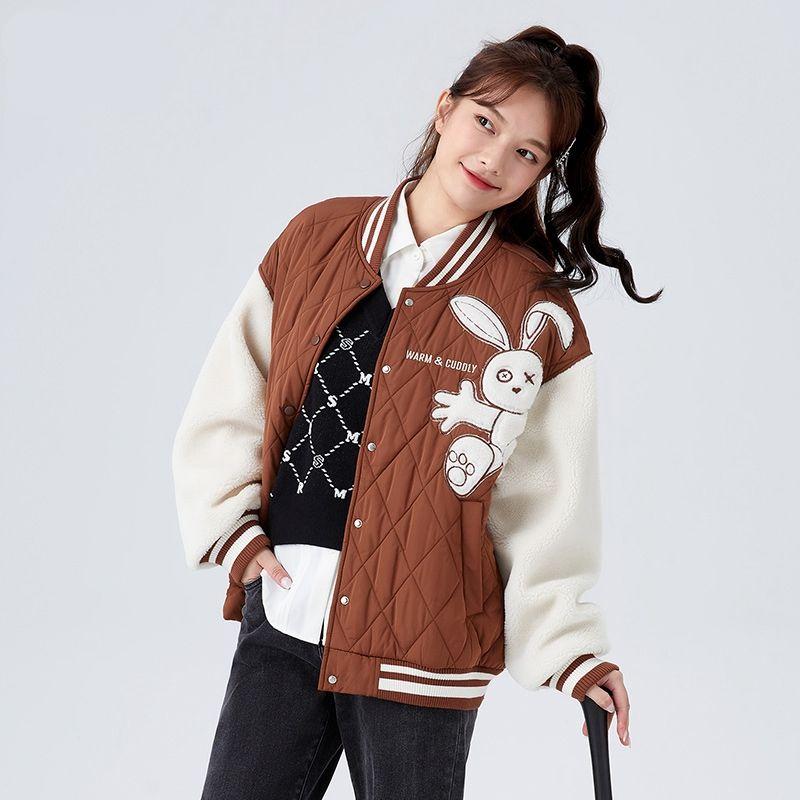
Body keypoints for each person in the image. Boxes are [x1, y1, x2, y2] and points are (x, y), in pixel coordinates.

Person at [172, 24, 654, 800]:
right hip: (285, 616)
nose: (494, 159)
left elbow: (548, 503)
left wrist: (574, 651)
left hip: (423, 652)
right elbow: (234, 393)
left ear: (541, 174)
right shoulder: (317, 239)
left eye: (527, 153)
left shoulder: (534, 311)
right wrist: (233, 529)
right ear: (445, 109)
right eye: (485, 122)